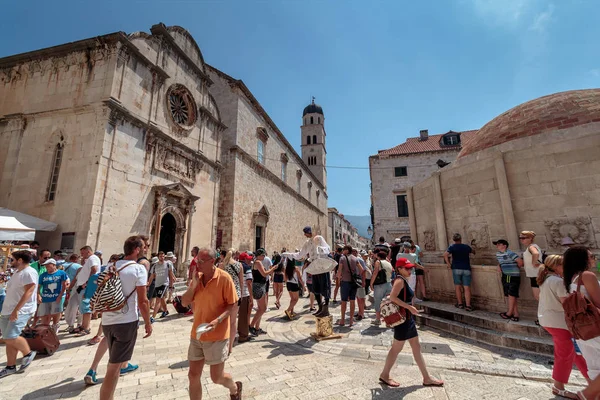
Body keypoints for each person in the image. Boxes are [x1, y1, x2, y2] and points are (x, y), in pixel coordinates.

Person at [181, 248, 242, 400]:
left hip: (217, 335)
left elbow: (231, 305)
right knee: (193, 375)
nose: (197, 264)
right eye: (197, 260)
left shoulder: (224, 278)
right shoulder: (197, 278)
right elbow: (184, 302)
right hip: (197, 334)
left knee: (217, 378)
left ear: (212, 261)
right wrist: (194, 284)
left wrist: (218, 320)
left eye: (201, 261)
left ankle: (235, 388)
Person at [98, 236, 152, 400]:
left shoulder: (110, 267)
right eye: (143, 247)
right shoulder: (138, 269)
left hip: (107, 321)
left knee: (113, 363)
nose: (145, 249)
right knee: (114, 369)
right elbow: (143, 301)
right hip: (126, 322)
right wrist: (148, 323)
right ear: (136, 250)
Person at [378, 258, 444, 388]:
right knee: (396, 348)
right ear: (399, 269)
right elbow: (392, 297)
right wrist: (409, 308)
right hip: (402, 320)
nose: (410, 270)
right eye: (407, 268)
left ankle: (426, 378)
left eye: (411, 268)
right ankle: (385, 375)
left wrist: (412, 309)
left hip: (408, 319)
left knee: (415, 347)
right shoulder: (399, 280)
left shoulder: (404, 280)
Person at [538, 254, 590, 399]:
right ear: (556, 266)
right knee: (566, 354)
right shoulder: (557, 281)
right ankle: (558, 387)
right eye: (563, 265)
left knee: (574, 352)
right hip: (559, 322)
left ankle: (592, 382)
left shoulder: (546, 279)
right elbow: (567, 304)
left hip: (549, 320)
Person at [563, 246, 600, 400]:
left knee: (595, 368)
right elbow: (598, 302)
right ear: (582, 259)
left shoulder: (573, 279)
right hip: (595, 327)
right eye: (591, 256)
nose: (594, 259)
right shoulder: (587, 276)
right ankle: (587, 394)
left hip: (582, 330)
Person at [0, 250, 38, 378]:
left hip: (21, 310)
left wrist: (16, 310)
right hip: (7, 309)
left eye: (12, 259)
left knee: (10, 337)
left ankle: (28, 353)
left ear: (20, 260)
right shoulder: (17, 272)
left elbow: (29, 291)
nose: (11, 262)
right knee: (8, 339)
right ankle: (10, 366)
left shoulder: (29, 272)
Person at [284, 227, 334, 318]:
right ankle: (320, 308)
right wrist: (289, 254)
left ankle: (326, 309)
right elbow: (300, 254)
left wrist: (320, 249)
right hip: (314, 267)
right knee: (316, 288)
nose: (304, 235)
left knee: (325, 286)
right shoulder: (307, 243)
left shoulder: (319, 238)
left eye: (305, 233)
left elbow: (327, 248)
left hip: (322, 265)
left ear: (309, 232)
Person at [219, 249, 243, 354]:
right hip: (236, 294)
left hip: (224, 294)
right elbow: (241, 282)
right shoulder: (239, 265)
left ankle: (222, 345)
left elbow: (218, 281)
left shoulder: (222, 265)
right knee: (233, 322)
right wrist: (241, 295)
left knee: (224, 321)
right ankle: (230, 347)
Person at [73, 245, 101, 336]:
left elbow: (94, 270)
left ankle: (86, 327)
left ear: (88, 251)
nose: (82, 255)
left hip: (86, 287)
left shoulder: (92, 258)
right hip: (84, 286)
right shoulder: (90, 259)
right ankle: (83, 326)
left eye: (83, 253)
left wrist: (87, 283)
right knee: (83, 307)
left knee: (86, 307)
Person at [443, 233, 475, 311]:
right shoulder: (466, 247)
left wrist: (448, 263)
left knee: (457, 287)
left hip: (456, 268)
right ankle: (468, 305)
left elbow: (445, 254)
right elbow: (473, 251)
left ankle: (460, 304)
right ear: (461, 239)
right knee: (466, 288)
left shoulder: (452, 247)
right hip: (466, 268)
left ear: (454, 240)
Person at [494, 239, 524, 322]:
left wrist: (515, 269)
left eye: (499, 244)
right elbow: (502, 262)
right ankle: (515, 313)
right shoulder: (498, 254)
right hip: (505, 275)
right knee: (510, 295)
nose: (497, 246)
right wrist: (499, 265)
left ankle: (509, 313)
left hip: (512, 276)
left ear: (504, 245)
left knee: (511, 294)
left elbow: (520, 262)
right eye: (497, 245)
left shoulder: (510, 253)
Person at [37, 258, 69, 332]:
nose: (47, 267)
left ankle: (55, 325)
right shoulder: (43, 275)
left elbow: (64, 286)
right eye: (46, 266)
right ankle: (45, 329)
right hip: (45, 298)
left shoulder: (61, 273)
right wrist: (38, 295)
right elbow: (38, 287)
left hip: (56, 297)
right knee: (44, 315)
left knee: (55, 313)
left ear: (54, 265)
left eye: (48, 265)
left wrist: (60, 296)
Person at [249, 249, 276, 335]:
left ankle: (257, 328)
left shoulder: (256, 262)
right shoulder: (258, 263)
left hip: (260, 285)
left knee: (261, 308)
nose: (264, 257)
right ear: (259, 255)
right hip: (259, 286)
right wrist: (273, 269)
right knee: (263, 308)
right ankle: (251, 326)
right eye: (263, 255)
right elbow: (264, 274)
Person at [520, 231, 543, 325]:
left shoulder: (531, 247)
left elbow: (536, 254)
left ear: (530, 238)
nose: (522, 240)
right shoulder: (531, 247)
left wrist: (534, 262)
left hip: (535, 275)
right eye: (520, 238)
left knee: (539, 297)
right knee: (540, 297)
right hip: (535, 274)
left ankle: (543, 318)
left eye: (524, 238)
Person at [337, 245, 363, 327]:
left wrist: (338, 278)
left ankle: (342, 320)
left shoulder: (342, 258)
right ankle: (351, 320)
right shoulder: (355, 259)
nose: (343, 251)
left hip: (345, 282)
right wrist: (356, 275)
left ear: (347, 250)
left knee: (344, 301)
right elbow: (362, 269)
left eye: (344, 250)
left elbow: (339, 271)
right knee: (352, 300)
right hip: (353, 283)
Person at [148, 251, 176, 321]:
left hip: (164, 283)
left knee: (158, 300)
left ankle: (153, 317)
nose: (162, 258)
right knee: (162, 298)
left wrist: (171, 283)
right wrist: (148, 284)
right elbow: (152, 276)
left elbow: (170, 273)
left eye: (163, 256)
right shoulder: (155, 266)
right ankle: (165, 311)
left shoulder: (167, 264)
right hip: (157, 284)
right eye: (161, 256)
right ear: (158, 257)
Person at [371, 251, 393, 326]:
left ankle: (378, 319)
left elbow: (375, 273)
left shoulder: (378, 262)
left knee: (378, 301)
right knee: (387, 303)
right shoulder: (389, 263)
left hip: (380, 285)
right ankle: (388, 321)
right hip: (389, 284)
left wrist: (371, 283)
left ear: (378, 256)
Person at [63, 254, 83, 333]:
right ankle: (77, 324)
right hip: (75, 288)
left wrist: (69, 288)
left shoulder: (63, 265)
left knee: (71, 307)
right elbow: (75, 279)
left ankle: (72, 325)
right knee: (77, 308)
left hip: (69, 288)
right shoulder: (79, 267)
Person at [237, 252, 253, 344]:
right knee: (243, 316)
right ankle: (243, 336)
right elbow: (249, 282)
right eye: (248, 258)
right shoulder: (246, 268)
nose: (250, 260)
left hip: (235, 294)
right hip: (244, 294)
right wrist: (251, 296)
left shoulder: (235, 266)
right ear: (245, 259)